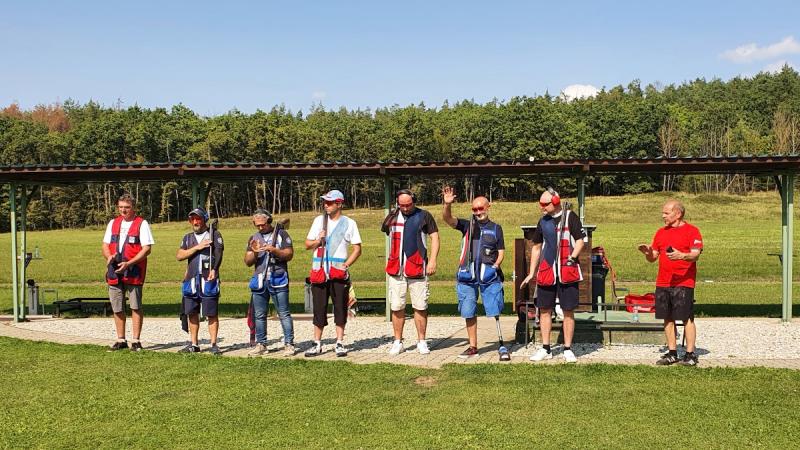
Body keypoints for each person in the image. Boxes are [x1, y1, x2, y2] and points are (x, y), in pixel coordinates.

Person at [442, 186, 508, 360]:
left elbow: (501, 251)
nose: (478, 212)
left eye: (481, 208)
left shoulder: (496, 228)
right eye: (475, 209)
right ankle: (473, 346)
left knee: (494, 307)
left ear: (488, 207)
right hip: (467, 277)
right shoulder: (466, 225)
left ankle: (501, 344)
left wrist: (495, 266)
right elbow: (447, 219)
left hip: (488, 276)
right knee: (468, 310)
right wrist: (447, 204)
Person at [520, 188, 586, 363]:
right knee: (545, 310)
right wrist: (531, 272)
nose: (541, 207)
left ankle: (567, 348)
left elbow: (580, 240)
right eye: (540, 204)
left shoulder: (570, 217)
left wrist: (572, 257)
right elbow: (536, 247)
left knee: (568, 311)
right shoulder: (543, 221)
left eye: (545, 204)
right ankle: (546, 348)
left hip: (567, 271)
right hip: (547, 270)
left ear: (555, 202)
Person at [638, 199, 703, 366]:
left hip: (684, 281)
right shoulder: (661, 233)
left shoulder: (692, 231)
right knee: (667, 317)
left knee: (686, 317)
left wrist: (681, 255)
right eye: (663, 213)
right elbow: (653, 258)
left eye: (666, 213)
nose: (663, 216)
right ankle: (672, 352)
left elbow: (695, 254)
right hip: (663, 281)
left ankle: (690, 354)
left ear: (678, 214)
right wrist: (647, 252)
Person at [304, 190, 362, 357]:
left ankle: (339, 342)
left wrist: (346, 265)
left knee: (340, 309)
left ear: (339, 204)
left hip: (338, 274)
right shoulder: (318, 221)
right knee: (319, 309)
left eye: (329, 202)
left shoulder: (349, 223)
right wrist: (317, 240)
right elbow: (307, 244)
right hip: (319, 273)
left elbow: (357, 249)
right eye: (325, 202)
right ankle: (317, 343)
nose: (326, 205)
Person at [382, 189, 440, 355]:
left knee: (420, 306)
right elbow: (386, 231)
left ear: (414, 202)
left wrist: (433, 260)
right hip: (396, 269)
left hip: (418, 267)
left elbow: (435, 237)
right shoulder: (392, 216)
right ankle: (397, 341)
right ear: (397, 204)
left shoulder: (424, 215)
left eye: (408, 205)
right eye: (402, 205)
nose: (405, 208)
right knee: (396, 306)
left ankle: (421, 341)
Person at [102, 193, 154, 352]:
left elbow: (147, 249)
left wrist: (129, 263)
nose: (123, 210)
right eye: (121, 207)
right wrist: (109, 256)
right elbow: (105, 245)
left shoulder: (142, 224)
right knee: (117, 306)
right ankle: (120, 339)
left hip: (134, 271)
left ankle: (136, 340)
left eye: (127, 207)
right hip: (115, 270)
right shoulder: (113, 223)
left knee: (135, 306)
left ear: (134, 208)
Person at [245, 209, 296, 357]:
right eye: (257, 225)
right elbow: (247, 261)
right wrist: (254, 252)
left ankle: (289, 344)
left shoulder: (281, 234)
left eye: (263, 224)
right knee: (259, 315)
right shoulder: (253, 238)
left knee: (284, 313)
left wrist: (274, 250)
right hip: (260, 280)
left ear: (269, 221)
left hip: (278, 278)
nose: (260, 228)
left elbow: (289, 254)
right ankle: (261, 344)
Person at [176, 208, 224, 354]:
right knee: (192, 312)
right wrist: (198, 247)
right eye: (193, 219)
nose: (195, 222)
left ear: (204, 220)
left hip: (208, 278)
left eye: (198, 219)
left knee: (211, 313)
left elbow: (219, 253)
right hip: (191, 279)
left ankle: (214, 344)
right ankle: (194, 344)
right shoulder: (187, 237)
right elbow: (180, 255)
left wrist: (214, 269)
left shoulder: (214, 234)